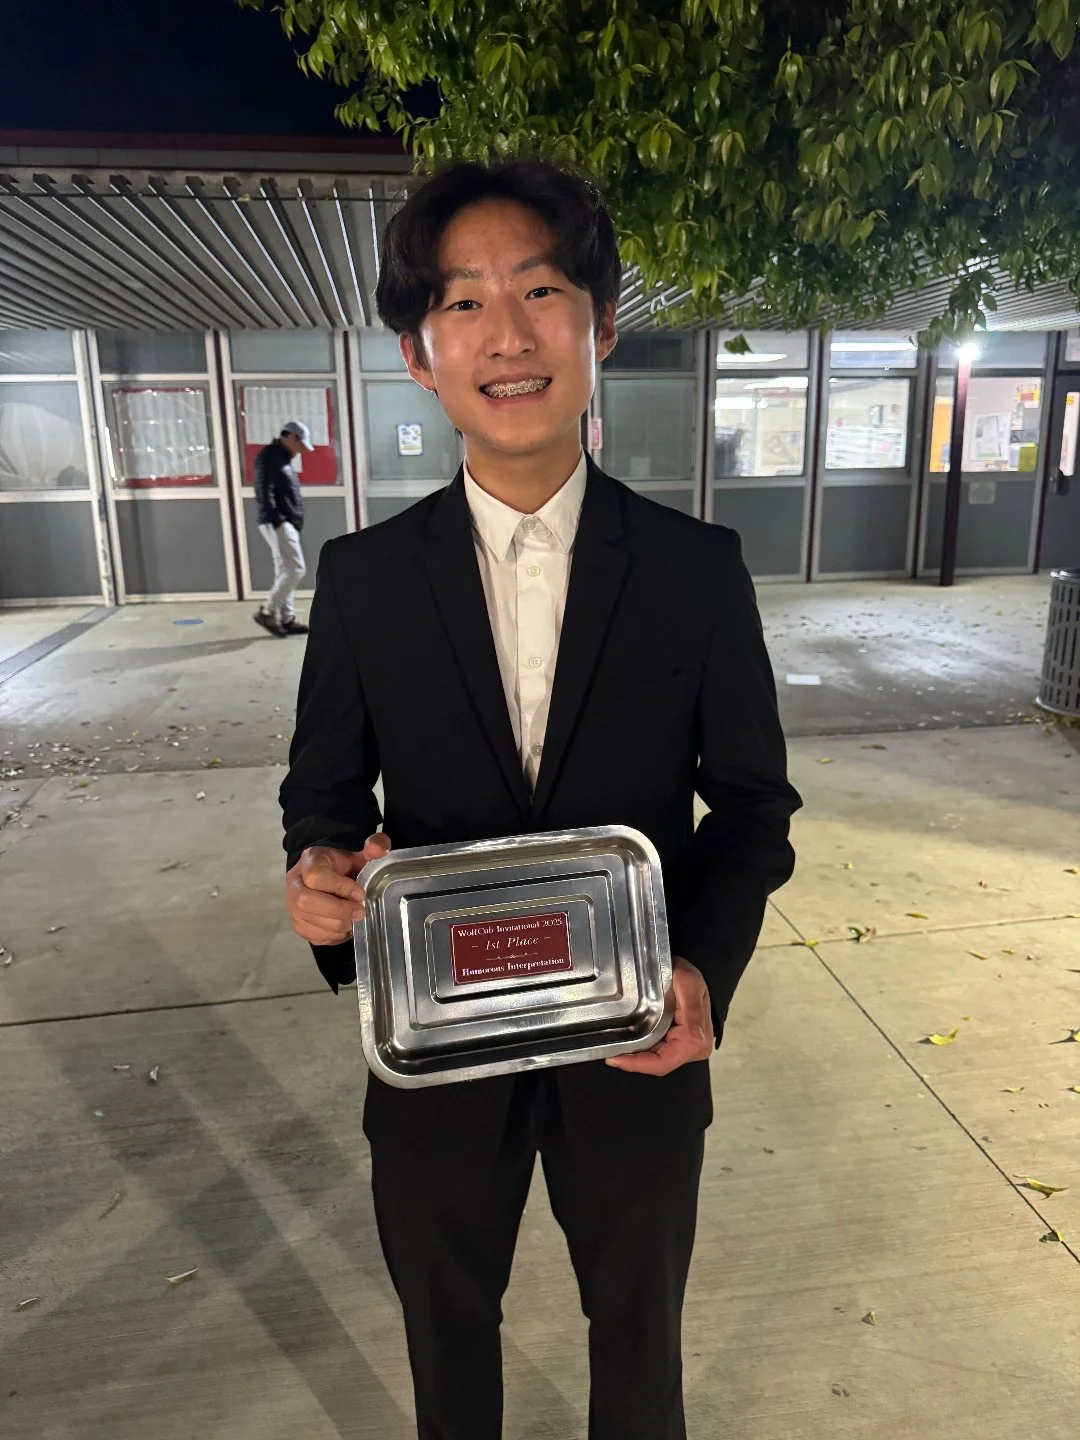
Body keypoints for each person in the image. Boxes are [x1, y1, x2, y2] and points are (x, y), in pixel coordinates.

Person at [280, 159, 802, 1440]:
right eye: (462, 303)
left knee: (639, 1352)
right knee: (446, 1350)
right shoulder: (364, 581)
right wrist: (321, 876)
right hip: (435, 1056)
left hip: (636, 1044)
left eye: (542, 290)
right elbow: (325, 789)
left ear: (600, 325)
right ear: (420, 353)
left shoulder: (693, 571)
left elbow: (751, 807)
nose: (506, 334)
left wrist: (702, 974)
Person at [253, 419, 312, 636]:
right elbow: (264, 490)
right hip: (277, 521)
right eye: (300, 444)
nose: (301, 450)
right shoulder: (270, 458)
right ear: (289, 436)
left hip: (285, 521)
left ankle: (286, 619)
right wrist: (278, 519)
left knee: (285, 571)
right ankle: (267, 611)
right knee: (296, 568)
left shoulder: (282, 458)